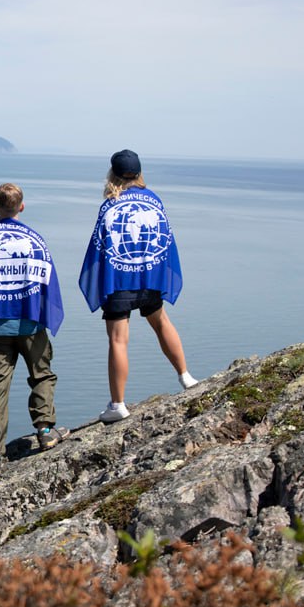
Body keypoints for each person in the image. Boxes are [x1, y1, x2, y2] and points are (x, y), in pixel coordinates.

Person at [0, 183, 69, 479]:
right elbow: (48, 283)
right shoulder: (35, 241)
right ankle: (45, 431)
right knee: (41, 374)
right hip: (30, 322)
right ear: (22, 206)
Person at [78, 149, 198, 423]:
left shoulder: (110, 205)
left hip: (119, 279)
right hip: (149, 276)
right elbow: (165, 239)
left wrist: (98, 279)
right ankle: (186, 376)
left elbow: (100, 245)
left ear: (113, 175)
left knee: (118, 339)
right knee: (161, 322)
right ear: (139, 173)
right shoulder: (154, 200)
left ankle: (118, 404)